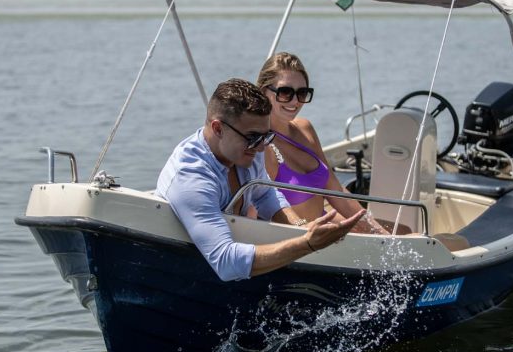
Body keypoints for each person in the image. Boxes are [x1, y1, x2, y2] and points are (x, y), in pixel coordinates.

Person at [155, 78, 365, 282]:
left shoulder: (249, 150)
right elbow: (226, 263)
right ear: (218, 128)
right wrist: (307, 244)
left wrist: (300, 227)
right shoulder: (191, 178)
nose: (262, 147)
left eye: (267, 137)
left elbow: (265, 193)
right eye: (253, 137)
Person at [256, 52, 391, 235]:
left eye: (302, 93)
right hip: (300, 241)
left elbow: (335, 188)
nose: (295, 101)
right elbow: (262, 212)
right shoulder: (262, 146)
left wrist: (377, 232)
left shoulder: (305, 128)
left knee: (403, 232)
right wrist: (308, 235)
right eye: (285, 92)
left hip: (325, 228)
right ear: (264, 91)